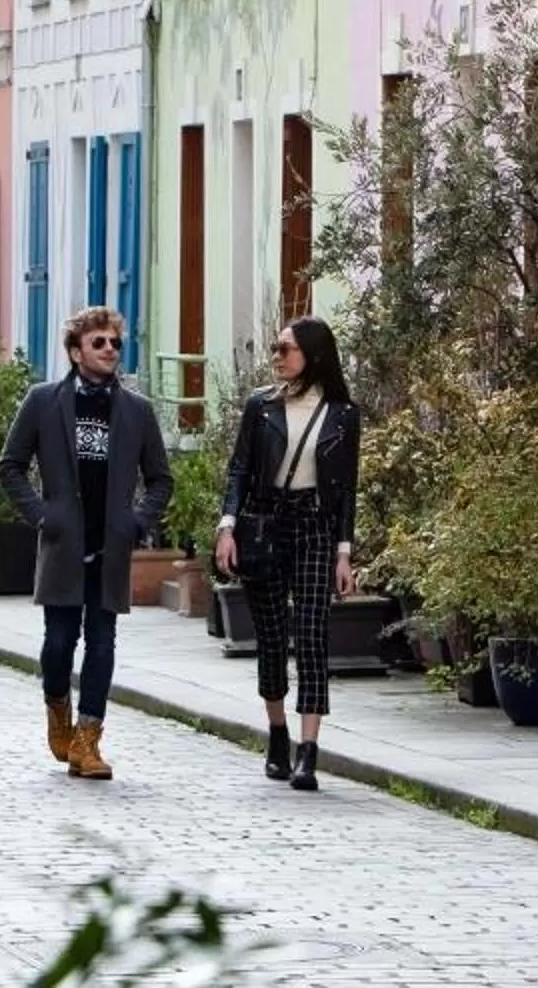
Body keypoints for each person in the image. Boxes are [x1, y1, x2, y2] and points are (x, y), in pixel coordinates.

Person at [0, 307, 172, 781]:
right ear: (76, 352)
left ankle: (88, 741)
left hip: (111, 545)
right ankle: (58, 708)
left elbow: (160, 479)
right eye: (100, 343)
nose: (111, 349)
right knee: (58, 643)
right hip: (63, 543)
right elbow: (9, 466)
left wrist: (138, 522)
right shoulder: (43, 401)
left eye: (115, 342)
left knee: (101, 643)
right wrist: (40, 514)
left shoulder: (137, 411)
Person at [215, 318, 362, 791]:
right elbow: (239, 470)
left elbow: (346, 491)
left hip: (316, 526)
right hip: (264, 523)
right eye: (276, 349)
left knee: (314, 635)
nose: (277, 356)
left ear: (313, 355)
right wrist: (227, 526)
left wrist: (345, 553)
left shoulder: (343, 413)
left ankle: (308, 752)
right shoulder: (261, 406)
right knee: (273, 637)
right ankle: (277, 733)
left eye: (286, 349)